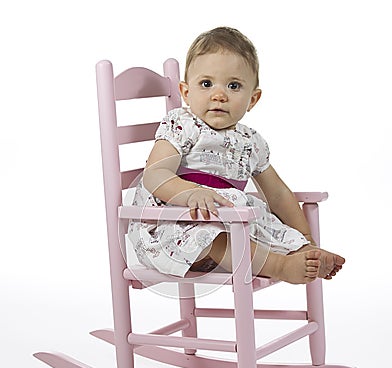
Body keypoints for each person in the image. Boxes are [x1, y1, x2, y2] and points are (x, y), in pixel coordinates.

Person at [128, 26, 345, 284]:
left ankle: (304, 253)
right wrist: (191, 193)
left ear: (253, 99)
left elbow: (278, 194)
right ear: (186, 92)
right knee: (213, 235)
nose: (219, 95)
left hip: (233, 225)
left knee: (270, 227)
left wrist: (306, 239)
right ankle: (279, 265)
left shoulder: (250, 141)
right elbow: (155, 175)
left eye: (233, 85)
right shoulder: (181, 126)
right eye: (206, 84)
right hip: (175, 230)